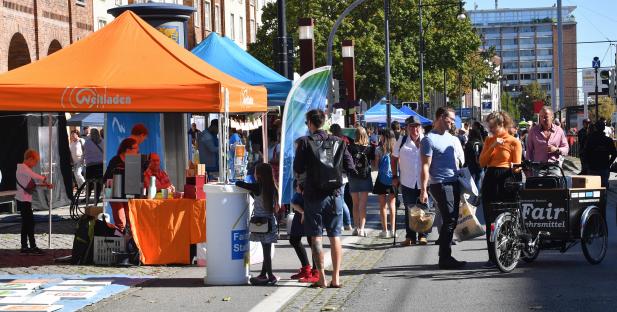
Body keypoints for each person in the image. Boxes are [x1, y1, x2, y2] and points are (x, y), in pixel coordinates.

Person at [293, 109, 356, 288]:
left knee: (316, 237)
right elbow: (350, 166)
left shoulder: (305, 142)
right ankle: (336, 278)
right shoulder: (338, 141)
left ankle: (321, 278)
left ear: (310, 123)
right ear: (324, 122)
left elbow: (298, 167)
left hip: (314, 195)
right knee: (335, 236)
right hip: (335, 194)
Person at [419, 107, 466, 270]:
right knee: (449, 219)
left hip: (453, 182)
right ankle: (445, 258)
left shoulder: (452, 138)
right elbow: (425, 166)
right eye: (450, 119)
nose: (453, 123)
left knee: (451, 219)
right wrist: (423, 190)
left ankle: (445, 256)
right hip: (439, 183)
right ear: (440, 117)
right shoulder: (428, 139)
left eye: (453, 120)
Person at [478, 112, 522, 269]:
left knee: (507, 217)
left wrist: (515, 170)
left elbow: (517, 166)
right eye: (488, 127)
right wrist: (492, 146)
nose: (490, 129)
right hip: (491, 178)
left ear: (502, 124)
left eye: (492, 126)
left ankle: (508, 253)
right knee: (490, 220)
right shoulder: (489, 140)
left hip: (506, 179)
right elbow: (482, 162)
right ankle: (492, 257)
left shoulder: (513, 142)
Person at [236, 163, 280, 286]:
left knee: (266, 251)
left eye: (255, 172)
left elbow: (239, 184)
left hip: (261, 223)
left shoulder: (257, 186)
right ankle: (262, 275)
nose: (254, 174)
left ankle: (270, 276)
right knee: (267, 249)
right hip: (270, 222)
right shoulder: (272, 186)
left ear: (259, 174)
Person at [391, 116, 426, 246]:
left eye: (416, 126)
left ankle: (423, 235)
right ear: (407, 128)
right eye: (411, 126)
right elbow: (394, 159)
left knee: (423, 208)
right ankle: (410, 236)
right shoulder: (402, 140)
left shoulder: (426, 140)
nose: (414, 129)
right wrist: (394, 176)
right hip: (407, 180)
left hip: (424, 181)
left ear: (420, 127)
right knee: (409, 209)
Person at [15, 150, 49, 254]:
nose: (35, 164)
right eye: (35, 162)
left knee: (27, 224)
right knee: (29, 224)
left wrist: (43, 184)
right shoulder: (23, 168)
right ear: (30, 159)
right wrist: (43, 178)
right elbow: (33, 175)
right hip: (23, 200)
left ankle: (25, 247)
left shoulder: (22, 168)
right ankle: (31, 246)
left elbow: (30, 184)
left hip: (24, 200)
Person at [103, 138, 138, 232]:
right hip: (114, 192)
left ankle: (131, 241)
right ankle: (120, 240)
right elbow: (107, 179)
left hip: (129, 193)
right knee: (121, 219)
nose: (137, 150)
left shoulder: (134, 161)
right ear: (127, 149)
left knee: (131, 219)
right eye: (135, 148)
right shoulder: (115, 160)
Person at [288, 181, 318, 283]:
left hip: (313, 216)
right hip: (300, 216)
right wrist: (302, 212)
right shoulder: (298, 194)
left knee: (313, 242)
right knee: (294, 240)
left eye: (297, 186)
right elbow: (293, 203)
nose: (295, 188)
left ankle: (316, 271)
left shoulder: (312, 192)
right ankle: (306, 269)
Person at [348, 126, 375, 237]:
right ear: (365, 135)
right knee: (363, 205)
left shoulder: (350, 147)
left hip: (353, 176)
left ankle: (356, 227)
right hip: (365, 176)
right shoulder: (369, 148)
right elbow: (373, 164)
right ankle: (362, 229)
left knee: (355, 203)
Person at [526, 107, 568, 176]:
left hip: (554, 166)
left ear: (552, 117)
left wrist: (556, 149)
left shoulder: (559, 131)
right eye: (541, 117)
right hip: (538, 167)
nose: (543, 119)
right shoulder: (533, 131)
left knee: (554, 185)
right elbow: (529, 151)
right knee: (539, 186)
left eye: (545, 117)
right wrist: (528, 169)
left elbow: (566, 148)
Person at [373, 129, 397, 238]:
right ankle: (393, 230)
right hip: (393, 179)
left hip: (381, 179)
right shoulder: (396, 149)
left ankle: (385, 230)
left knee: (382, 205)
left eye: (381, 135)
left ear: (384, 137)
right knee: (392, 205)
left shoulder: (378, 149)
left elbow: (376, 166)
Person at [329, 124, 352, 231]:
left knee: (339, 200)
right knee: (341, 200)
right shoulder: (345, 140)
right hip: (343, 175)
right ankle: (347, 223)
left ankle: (344, 224)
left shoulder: (335, 142)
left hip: (337, 174)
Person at [583, 120, 617, 188]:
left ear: (595, 128)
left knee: (592, 188)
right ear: (604, 128)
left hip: (593, 167)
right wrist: (609, 164)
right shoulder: (608, 140)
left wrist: (587, 164)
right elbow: (614, 154)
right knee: (603, 189)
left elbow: (585, 153)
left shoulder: (590, 139)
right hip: (604, 167)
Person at [464, 128, 484, 204]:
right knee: (478, 180)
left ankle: (471, 197)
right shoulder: (481, 143)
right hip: (479, 165)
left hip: (471, 164)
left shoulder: (469, 143)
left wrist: (465, 164)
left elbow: (466, 155)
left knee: (470, 181)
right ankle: (477, 197)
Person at [83, 128, 104, 201]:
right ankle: (96, 197)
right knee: (99, 183)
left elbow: (85, 152)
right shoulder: (103, 141)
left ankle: (87, 197)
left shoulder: (87, 142)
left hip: (90, 165)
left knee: (89, 182)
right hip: (100, 165)